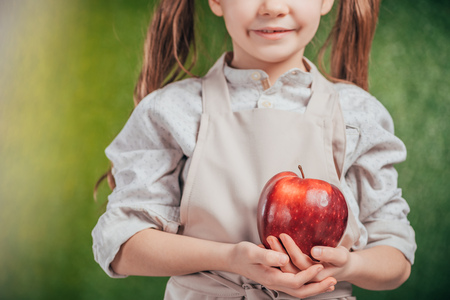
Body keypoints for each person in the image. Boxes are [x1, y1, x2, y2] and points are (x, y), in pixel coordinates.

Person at [92, 0, 416, 299]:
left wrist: (349, 266)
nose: (273, 7)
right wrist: (230, 259)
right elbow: (121, 245)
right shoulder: (171, 111)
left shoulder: (360, 115)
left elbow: (396, 255)